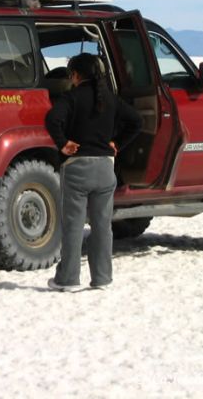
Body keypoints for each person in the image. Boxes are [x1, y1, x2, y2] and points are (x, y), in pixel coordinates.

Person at [44, 53, 142, 292]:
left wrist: (63, 143)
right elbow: (137, 121)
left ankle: (68, 280)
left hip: (77, 169)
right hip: (105, 170)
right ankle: (102, 278)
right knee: (102, 226)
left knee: (74, 225)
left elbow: (52, 119)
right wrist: (117, 142)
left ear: (76, 75)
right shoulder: (111, 98)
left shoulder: (71, 98)